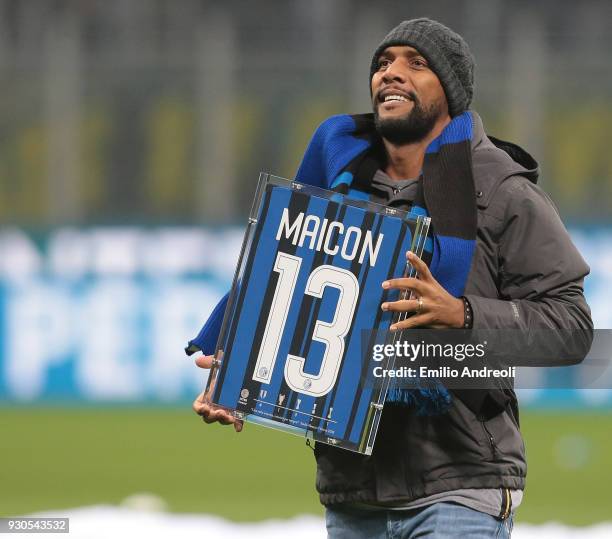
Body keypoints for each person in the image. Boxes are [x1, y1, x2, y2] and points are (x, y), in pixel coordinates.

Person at [191, 18, 593, 538]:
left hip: (460, 490)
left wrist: (463, 314)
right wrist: (242, 373)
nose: (391, 73)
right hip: (351, 494)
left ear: (449, 91)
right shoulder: (333, 192)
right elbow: (292, 303)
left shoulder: (503, 192)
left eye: (415, 63)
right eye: (383, 64)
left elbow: (572, 328)